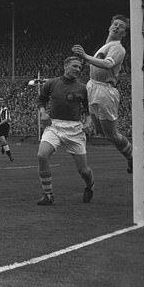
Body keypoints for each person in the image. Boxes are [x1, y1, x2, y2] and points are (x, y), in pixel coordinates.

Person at [72, 14, 133, 173]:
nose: (117, 27)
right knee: (100, 130)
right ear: (110, 26)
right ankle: (129, 154)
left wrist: (86, 56)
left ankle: (132, 156)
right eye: (115, 24)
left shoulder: (118, 48)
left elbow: (107, 64)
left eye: (121, 26)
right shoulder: (105, 46)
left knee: (111, 134)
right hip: (93, 86)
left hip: (105, 90)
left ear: (124, 33)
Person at [35, 56, 94, 206]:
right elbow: (41, 100)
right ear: (65, 66)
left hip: (74, 128)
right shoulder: (51, 83)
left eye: (79, 68)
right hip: (54, 125)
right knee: (42, 155)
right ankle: (48, 195)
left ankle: (90, 186)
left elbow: (89, 110)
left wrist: (88, 122)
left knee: (84, 170)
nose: (77, 69)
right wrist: (43, 113)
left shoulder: (82, 88)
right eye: (75, 66)